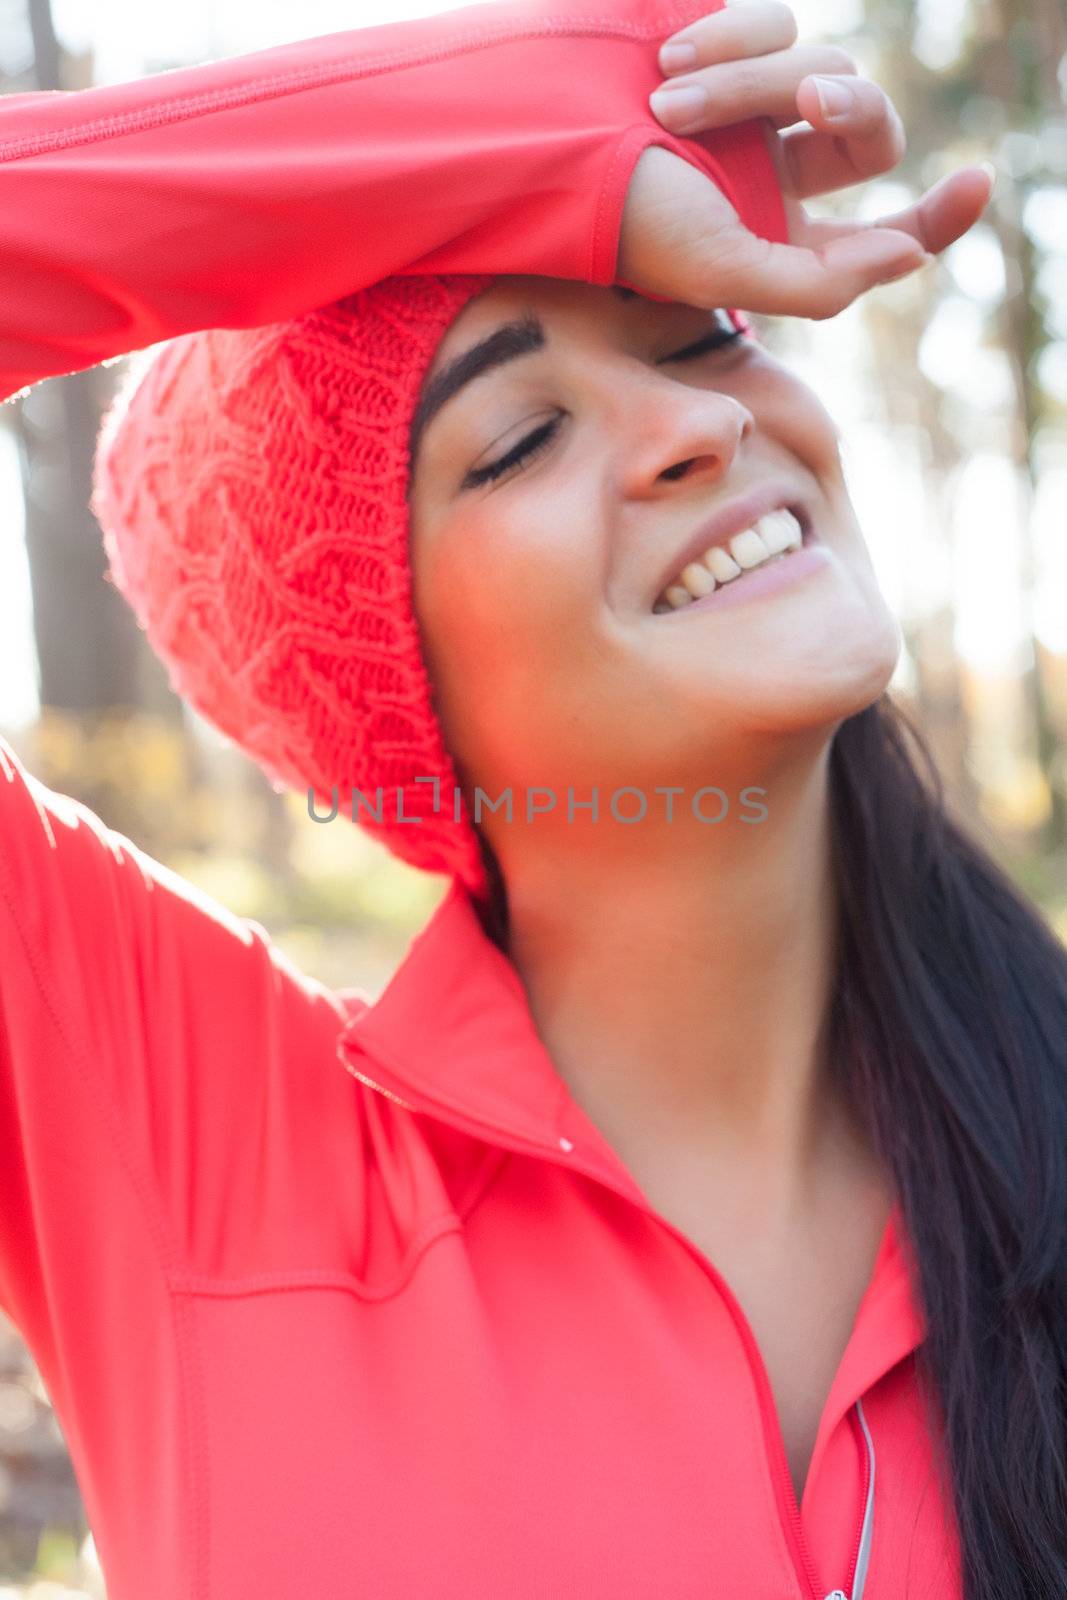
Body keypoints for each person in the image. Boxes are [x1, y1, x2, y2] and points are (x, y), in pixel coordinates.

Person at [1, 0, 1063, 1597]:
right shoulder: (178, 1127)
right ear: (382, 675)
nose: (702, 424)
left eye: (701, 334)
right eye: (519, 440)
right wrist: (541, 116)